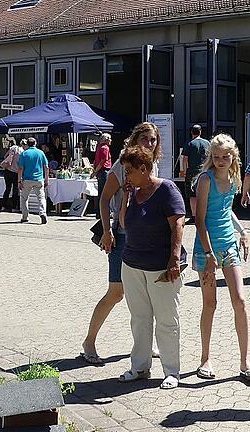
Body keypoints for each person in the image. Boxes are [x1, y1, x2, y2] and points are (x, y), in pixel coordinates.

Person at [82, 122, 163, 365]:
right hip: (123, 235)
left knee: (146, 294)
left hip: (146, 235)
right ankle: (89, 341)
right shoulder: (121, 165)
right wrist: (107, 231)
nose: (149, 144)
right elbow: (104, 199)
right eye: (145, 139)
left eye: (153, 140)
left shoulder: (152, 165)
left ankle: (145, 345)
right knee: (116, 292)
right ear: (135, 139)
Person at [115, 145, 185, 389]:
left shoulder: (166, 189)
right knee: (139, 319)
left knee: (167, 320)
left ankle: (172, 371)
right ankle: (140, 367)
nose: (127, 176)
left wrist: (174, 259)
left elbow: (178, 224)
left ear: (143, 169)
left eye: (129, 171)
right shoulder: (133, 192)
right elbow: (124, 223)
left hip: (161, 267)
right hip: (132, 264)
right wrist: (125, 196)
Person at [193, 134, 250, 382]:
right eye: (216, 156)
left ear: (233, 157)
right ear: (211, 156)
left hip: (229, 246)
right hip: (206, 248)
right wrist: (209, 253)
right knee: (210, 304)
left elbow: (226, 210)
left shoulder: (233, 179)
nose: (220, 160)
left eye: (225, 157)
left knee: (240, 301)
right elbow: (199, 219)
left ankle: (244, 361)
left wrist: (242, 232)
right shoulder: (205, 179)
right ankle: (205, 359)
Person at [181, 124, 210, 223]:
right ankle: (204, 215)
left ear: (191, 132)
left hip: (192, 173)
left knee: (192, 195)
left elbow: (185, 159)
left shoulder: (189, 144)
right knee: (205, 194)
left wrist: (185, 171)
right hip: (205, 172)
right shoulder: (207, 143)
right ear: (200, 132)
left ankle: (194, 216)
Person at [17, 137, 49, 224]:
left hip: (27, 179)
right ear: (35, 143)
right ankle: (43, 213)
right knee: (41, 198)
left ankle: (25, 217)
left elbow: (20, 168)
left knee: (24, 198)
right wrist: (46, 179)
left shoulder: (24, 154)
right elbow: (46, 167)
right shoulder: (40, 153)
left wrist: (19, 181)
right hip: (39, 179)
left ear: (27, 144)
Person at [91, 134, 112, 218]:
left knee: (101, 193)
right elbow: (102, 161)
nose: (111, 140)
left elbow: (97, 161)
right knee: (105, 193)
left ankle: (99, 213)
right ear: (106, 140)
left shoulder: (99, 147)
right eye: (109, 139)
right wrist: (95, 171)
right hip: (104, 171)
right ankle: (102, 213)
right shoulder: (105, 148)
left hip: (100, 172)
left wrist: (95, 171)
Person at [0, 138, 24, 212]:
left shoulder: (12, 148)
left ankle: (3, 206)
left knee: (7, 189)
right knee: (15, 190)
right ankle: (14, 207)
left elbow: (5, 156)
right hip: (16, 173)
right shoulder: (23, 151)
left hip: (8, 171)